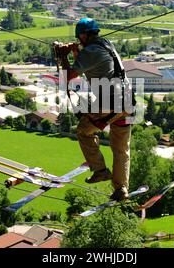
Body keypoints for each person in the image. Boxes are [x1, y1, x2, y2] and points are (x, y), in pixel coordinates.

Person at [55, 18, 134, 201]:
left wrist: (63, 56)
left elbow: (70, 75)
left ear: (83, 35)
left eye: (79, 37)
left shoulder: (90, 51)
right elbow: (87, 65)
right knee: (121, 150)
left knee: (84, 131)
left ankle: (100, 170)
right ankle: (121, 189)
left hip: (109, 103)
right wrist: (75, 51)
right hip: (127, 103)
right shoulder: (107, 45)